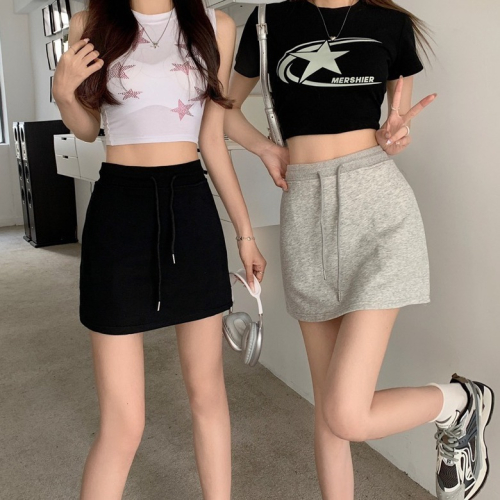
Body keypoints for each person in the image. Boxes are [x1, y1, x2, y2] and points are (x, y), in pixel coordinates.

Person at [224, 1, 494, 499]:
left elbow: (397, 121)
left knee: (346, 412)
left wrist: (396, 131)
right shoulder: (268, 21)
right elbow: (223, 109)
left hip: (378, 213)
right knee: (329, 412)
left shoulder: (391, 25)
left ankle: (459, 402)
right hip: (304, 212)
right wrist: (265, 147)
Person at [52, 0, 266, 498]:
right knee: (123, 424)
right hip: (118, 210)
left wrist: (245, 232)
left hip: (189, 204)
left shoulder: (216, 25)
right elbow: (89, 127)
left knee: (208, 395)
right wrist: (64, 95)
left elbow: (212, 138)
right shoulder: (90, 23)